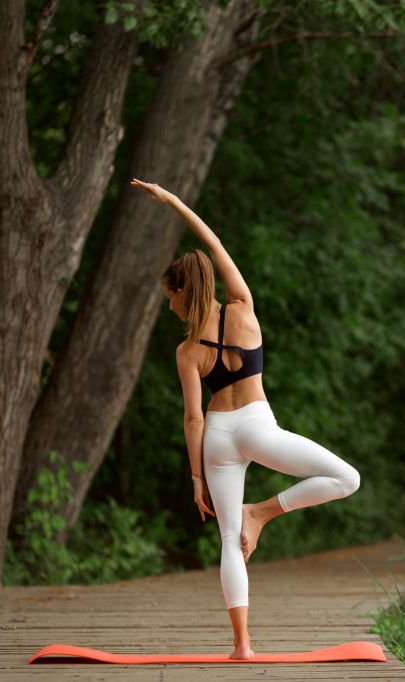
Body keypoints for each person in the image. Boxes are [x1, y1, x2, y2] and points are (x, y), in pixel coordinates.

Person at [131, 178, 361, 660]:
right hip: (257, 428)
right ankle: (264, 512)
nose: (169, 306)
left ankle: (243, 646)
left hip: (217, 437)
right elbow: (213, 245)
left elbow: (193, 419)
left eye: (169, 298)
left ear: (180, 291)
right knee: (346, 478)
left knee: (227, 542)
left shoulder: (186, 351)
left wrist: (195, 477)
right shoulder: (243, 310)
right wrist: (173, 203)